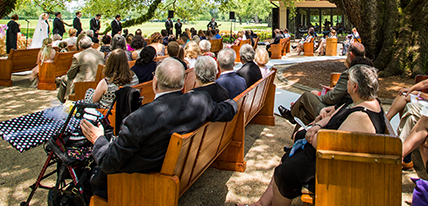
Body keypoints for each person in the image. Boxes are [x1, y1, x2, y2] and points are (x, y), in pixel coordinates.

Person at [80, 57, 238, 199]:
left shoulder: (139, 119)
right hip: (179, 168)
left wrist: (98, 139)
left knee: (89, 177)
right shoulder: (200, 101)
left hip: (135, 183)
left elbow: (108, 162)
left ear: (155, 82)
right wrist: (234, 102)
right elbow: (227, 110)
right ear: (183, 83)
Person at [239, 65, 385, 206]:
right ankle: (261, 204)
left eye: (349, 81)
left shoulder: (360, 116)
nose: (346, 83)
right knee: (287, 159)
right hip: (332, 160)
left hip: (334, 168)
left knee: (284, 172)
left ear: (355, 87)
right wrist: (317, 126)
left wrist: (313, 136)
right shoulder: (363, 102)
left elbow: (330, 145)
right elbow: (334, 117)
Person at [278, 43, 365, 126]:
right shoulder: (366, 72)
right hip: (343, 108)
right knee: (304, 112)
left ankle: (293, 115)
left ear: (350, 55)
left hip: (335, 110)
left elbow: (332, 98)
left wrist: (319, 95)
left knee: (306, 97)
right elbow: (343, 93)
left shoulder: (349, 74)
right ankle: (295, 117)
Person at [57, 36, 105, 102]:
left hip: (82, 84)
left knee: (63, 79)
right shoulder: (101, 54)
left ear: (79, 46)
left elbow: (70, 75)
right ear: (91, 44)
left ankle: (62, 102)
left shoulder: (78, 56)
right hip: (98, 82)